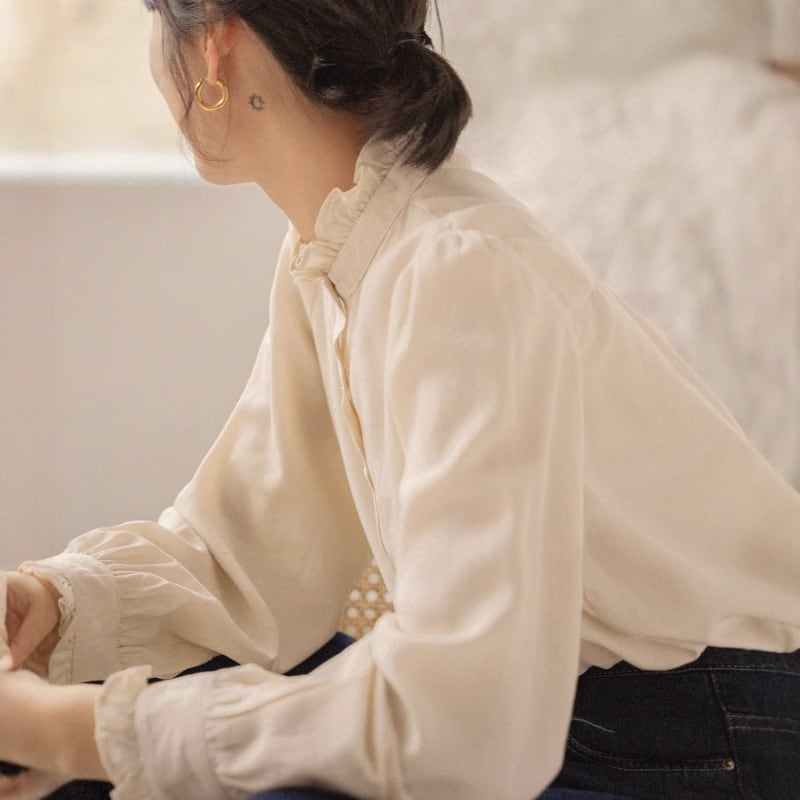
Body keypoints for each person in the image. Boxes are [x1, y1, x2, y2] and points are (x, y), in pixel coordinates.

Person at [1, 1, 800, 798]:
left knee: (166, 759)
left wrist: (80, 731)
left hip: (712, 732)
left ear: (214, 45)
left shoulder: (459, 270)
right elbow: (256, 555)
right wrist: (56, 605)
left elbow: (463, 723)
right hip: (565, 709)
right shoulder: (342, 251)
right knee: (144, 741)